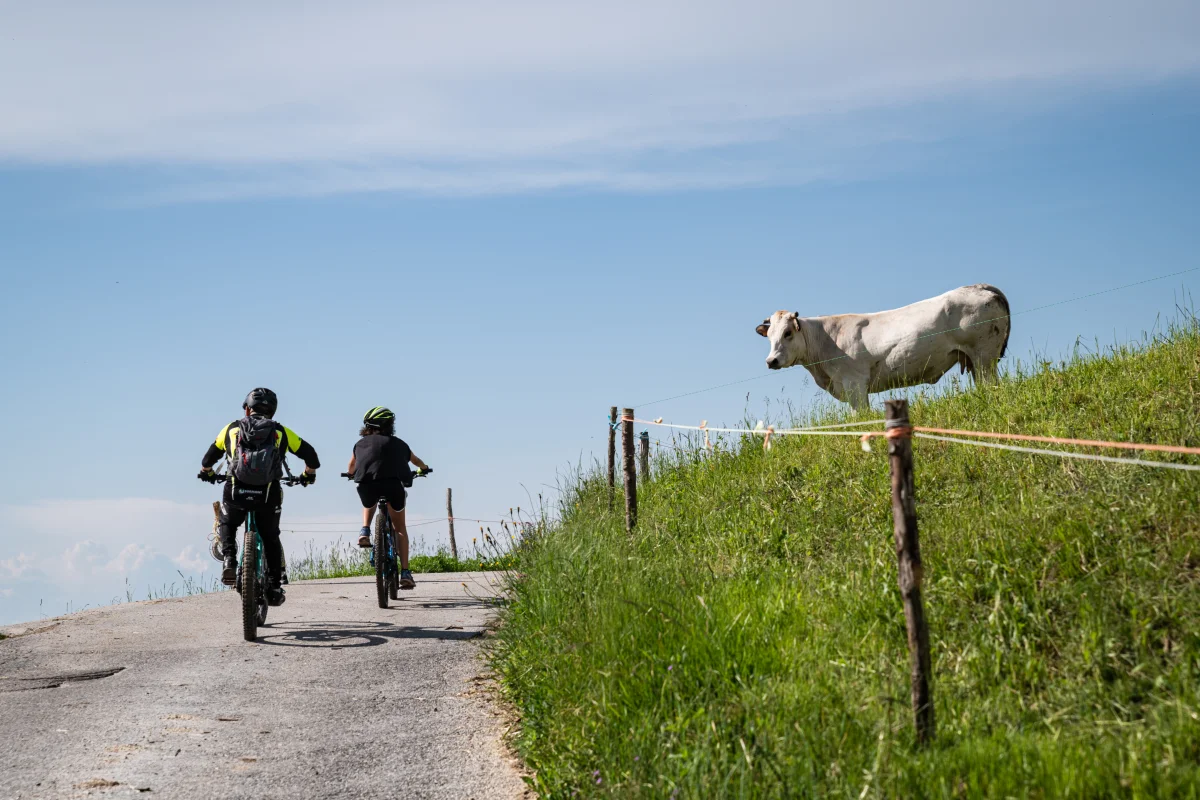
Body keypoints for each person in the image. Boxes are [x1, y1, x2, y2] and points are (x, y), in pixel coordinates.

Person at [198, 388, 320, 606]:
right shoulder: (280, 432)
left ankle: (229, 559)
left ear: (247, 408)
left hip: (236, 491)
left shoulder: (231, 429)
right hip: (267, 494)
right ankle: (273, 585)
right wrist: (307, 475)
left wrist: (206, 472)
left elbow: (208, 458)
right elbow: (311, 456)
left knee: (228, 523)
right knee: (270, 537)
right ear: (272, 411)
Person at [347, 406, 429, 590]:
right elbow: (415, 461)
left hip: (368, 487)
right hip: (394, 487)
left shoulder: (360, 444)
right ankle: (406, 572)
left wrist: (351, 474)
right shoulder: (400, 444)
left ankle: (365, 530)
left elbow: (351, 467)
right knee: (400, 528)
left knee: (370, 501)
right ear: (390, 425)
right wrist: (424, 468)